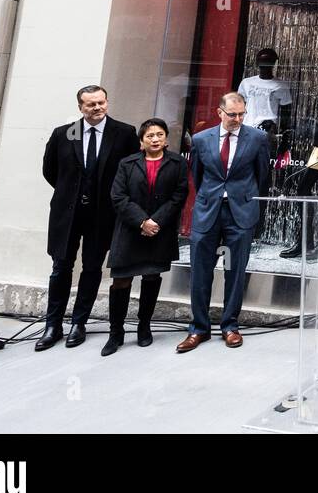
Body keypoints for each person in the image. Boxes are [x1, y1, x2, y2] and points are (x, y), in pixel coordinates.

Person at [37, 85, 137, 351]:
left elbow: (128, 173)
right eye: (90, 104)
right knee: (61, 268)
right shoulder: (63, 134)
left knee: (92, 268)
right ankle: (53, 324)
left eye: (101, 103)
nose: (97, 108)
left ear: (107, 102)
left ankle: (78, 323)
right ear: (80, 107)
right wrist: (71, 193)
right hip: (66, 214)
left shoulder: (124, 133)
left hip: (102, 214)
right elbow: (50, 171)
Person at [177, 92, 270, 352]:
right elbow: (196, 174)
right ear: (219, 113)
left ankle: (230, 325)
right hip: (208, 211)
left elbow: (263, 177)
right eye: (232, 115)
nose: (237, 119)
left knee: (236, 271)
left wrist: (249, 203)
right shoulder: (200, 139)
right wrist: (212, 196)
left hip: (240, 212)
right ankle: (198, 328)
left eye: (242, 114)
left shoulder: (258, 138)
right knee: (200, 270)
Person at [103, 118, 189, 356]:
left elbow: (179, 195)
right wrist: (142, 221)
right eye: (150, 135)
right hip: (130, 230)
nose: (155, 139)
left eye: (160, 134)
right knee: (121, 281)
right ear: (141, 141)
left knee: (151, 278)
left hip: (159, 232)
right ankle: (115, 332)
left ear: (166, 139)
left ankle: (144, 327)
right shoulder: (127, 164)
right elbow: (118, 196)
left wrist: (156, 222)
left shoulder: (177, 163)